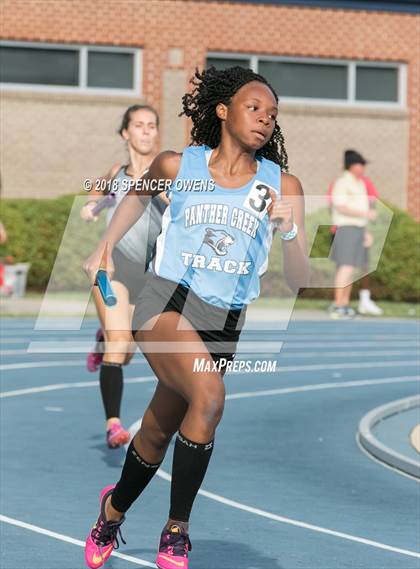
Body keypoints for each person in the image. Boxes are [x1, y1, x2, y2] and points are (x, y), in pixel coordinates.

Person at [82, 66, 309, 569]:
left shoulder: (281, 183)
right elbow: (138, 194)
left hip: (224, 321)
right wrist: (105, 245)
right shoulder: (177, 163)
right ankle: (176, 530)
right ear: (223, 110)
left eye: (273, 114)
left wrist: (289, 230)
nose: (265, 120)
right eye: (255, 108)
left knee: (163, 428)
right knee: (209, 397)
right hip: (165, 301)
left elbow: (299, 278)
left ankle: (112, 509)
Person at [80, 104, 168, 448]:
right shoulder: (116, 171)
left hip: (147, 274)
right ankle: (114, 425)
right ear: (125, 133)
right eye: (139, 125)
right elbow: (96, 193)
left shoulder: (168, 171)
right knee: (120, 345)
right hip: (111, 266)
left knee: (126, 351)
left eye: (151, 126)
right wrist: (92, 206)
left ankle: (103, 336)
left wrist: (166, 194)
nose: (146, 131)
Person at [326, 162, 383, 316]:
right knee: (345, 267)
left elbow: (367, 205)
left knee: (350, 270)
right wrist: (365, 215)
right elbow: (339, 206)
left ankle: (344, 304)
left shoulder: (360, 184)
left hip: (357, 229)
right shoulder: (342, 183)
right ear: (351, 166)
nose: (363, 168)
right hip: (346, 229)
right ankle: (338, 305)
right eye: (360, 164)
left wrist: (365, 230)